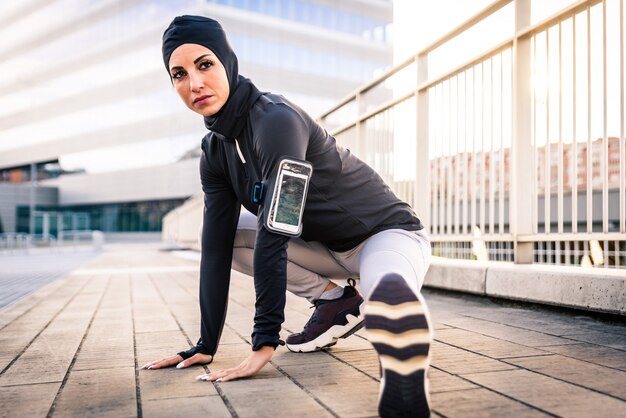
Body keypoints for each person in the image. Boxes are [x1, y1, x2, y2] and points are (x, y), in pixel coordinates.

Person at [142, 15, 433, 417]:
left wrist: (263, 344)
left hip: (386, 236)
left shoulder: (278, 120)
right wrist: (205, 345)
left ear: (227, 61)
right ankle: (333, 300)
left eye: (205, 64)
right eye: (178, 74)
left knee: (388, 298)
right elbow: (213, 248)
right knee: (223, 238)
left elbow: (277, 229)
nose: (194, 84)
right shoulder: (214, 152)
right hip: (323, 247)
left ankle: (403, 388)